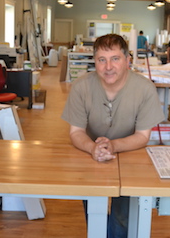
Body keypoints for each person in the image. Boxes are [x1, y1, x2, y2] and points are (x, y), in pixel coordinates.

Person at [62, 33, 164, 238]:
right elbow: (76, 132)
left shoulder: (144, 89)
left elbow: (143, 136)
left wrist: (113, 146)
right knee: (94, 212)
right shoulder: (81, 86)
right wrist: (93, 148)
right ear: (95, 62)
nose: (108, 67)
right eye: (102, 60)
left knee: (122, 216)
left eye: (115, 58)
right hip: (90, 154)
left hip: (130, 154)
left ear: (127, 60)